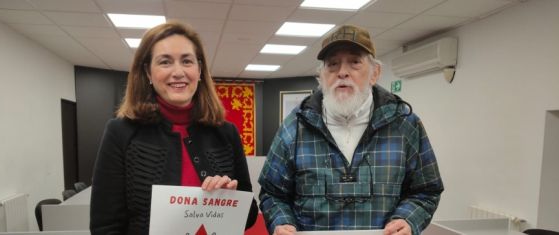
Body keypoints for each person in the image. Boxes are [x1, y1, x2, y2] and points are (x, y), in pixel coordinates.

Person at [258, 25, 444, 235]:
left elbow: (426, 190)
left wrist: (408, 219)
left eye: (355, 62)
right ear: (321, 76)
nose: (342, 72)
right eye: (332, 64)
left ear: (375, 73)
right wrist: (281, 222)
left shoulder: (404, 125)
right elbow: (272, 194)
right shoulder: (295, 128)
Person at [90, 21, 258, 234]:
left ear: (199, 70)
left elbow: (250, 217)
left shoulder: (226, 133)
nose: (178, 72)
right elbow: (105, 227)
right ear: (148, 73)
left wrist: (231, 199)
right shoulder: (121, 133)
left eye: (187, 61)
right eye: (165, 62)